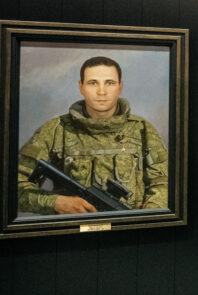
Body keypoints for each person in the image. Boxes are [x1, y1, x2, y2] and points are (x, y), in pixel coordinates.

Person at [17, 56, 168, 214]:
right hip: (73, 227)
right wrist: (55, 203)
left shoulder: (142, 129)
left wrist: (146, 217)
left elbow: (163, 184)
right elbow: (14, 187)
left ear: (120, 87)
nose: (101, 91)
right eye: (93, 83)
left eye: (109, 83)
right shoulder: (55, 130)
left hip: (131, 226)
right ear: (81, 87)